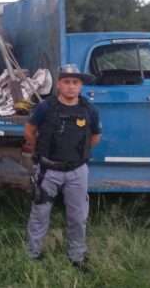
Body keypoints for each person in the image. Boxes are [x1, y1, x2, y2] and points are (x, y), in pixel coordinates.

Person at [24, 64, 101, 270]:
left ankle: (77, 257)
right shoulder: (45, 107)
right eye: (66, 82)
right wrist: (39, 150)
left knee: (78, 217)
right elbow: (30, 130)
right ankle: (33, 254)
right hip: (48, 171)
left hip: (77, 172)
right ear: (58, 84)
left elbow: (95, 137)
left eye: (75, 82)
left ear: (81, 85)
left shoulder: (89, 110)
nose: (71, 86)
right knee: (40, 214)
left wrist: (76, 155)